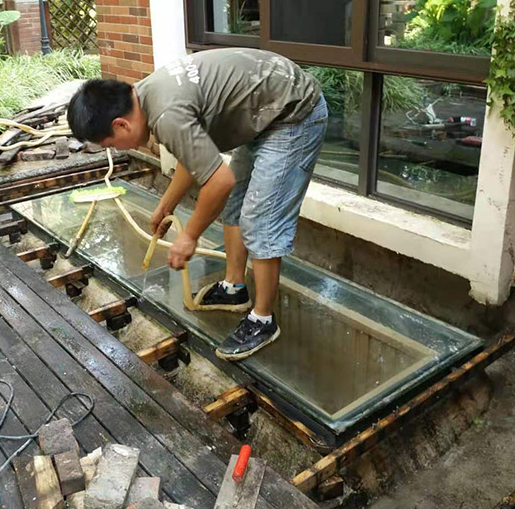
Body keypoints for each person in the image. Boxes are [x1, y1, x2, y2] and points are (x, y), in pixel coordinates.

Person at [67, 48, 327, 361]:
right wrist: (167, 204)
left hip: (293, 113)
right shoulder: (147, 96)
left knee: (261, 219)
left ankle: (263, 320)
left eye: (110, 144)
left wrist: (188, 235)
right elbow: (194, 160)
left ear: (121, 125)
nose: (117, 148)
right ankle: (234, 289)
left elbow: (219, 182)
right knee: (235, 207)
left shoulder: (166, 115)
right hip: (265, 110)